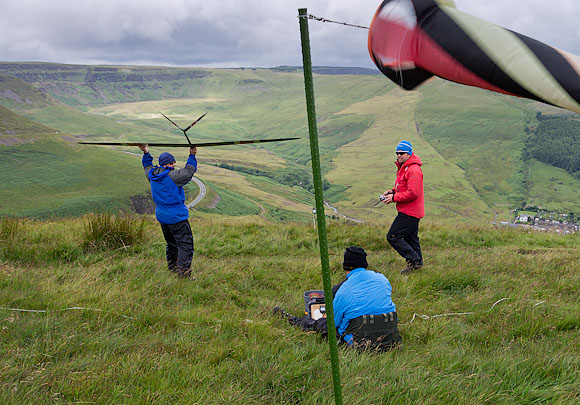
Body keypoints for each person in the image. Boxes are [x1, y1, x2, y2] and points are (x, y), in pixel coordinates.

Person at [274, 246, 402, 351]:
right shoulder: (383, 279)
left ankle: (292, 320)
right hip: (389, 336)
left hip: (360, 341)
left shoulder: (344, 290)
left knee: (322, 323)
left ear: (345, 266)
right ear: (365, 264)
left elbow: (333, 323)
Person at [138, 144, 197, 278]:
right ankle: (183, 274)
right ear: (165, 165)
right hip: (176, 217)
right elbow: (189, 171)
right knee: (185, 245)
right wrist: (192, 155)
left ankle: (173, 267)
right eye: (172, 163)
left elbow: (147, 166)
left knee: (171, 243)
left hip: (162, 217)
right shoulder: (173, 176)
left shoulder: (151, 175)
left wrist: (146, 152)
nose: (174, 165)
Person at [382, 140, 424, 274]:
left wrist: (394, 198)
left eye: (402, 153)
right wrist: (392, 192)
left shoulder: (413, 169)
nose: (399, 155)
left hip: (410, 211)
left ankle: (413, 260)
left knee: (393, 236)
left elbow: (413, 193)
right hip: (410, 210)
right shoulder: (405, 168)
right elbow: (403, 187)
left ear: (409, 153)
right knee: (411, 238)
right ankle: (417, 265)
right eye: (397, 153)